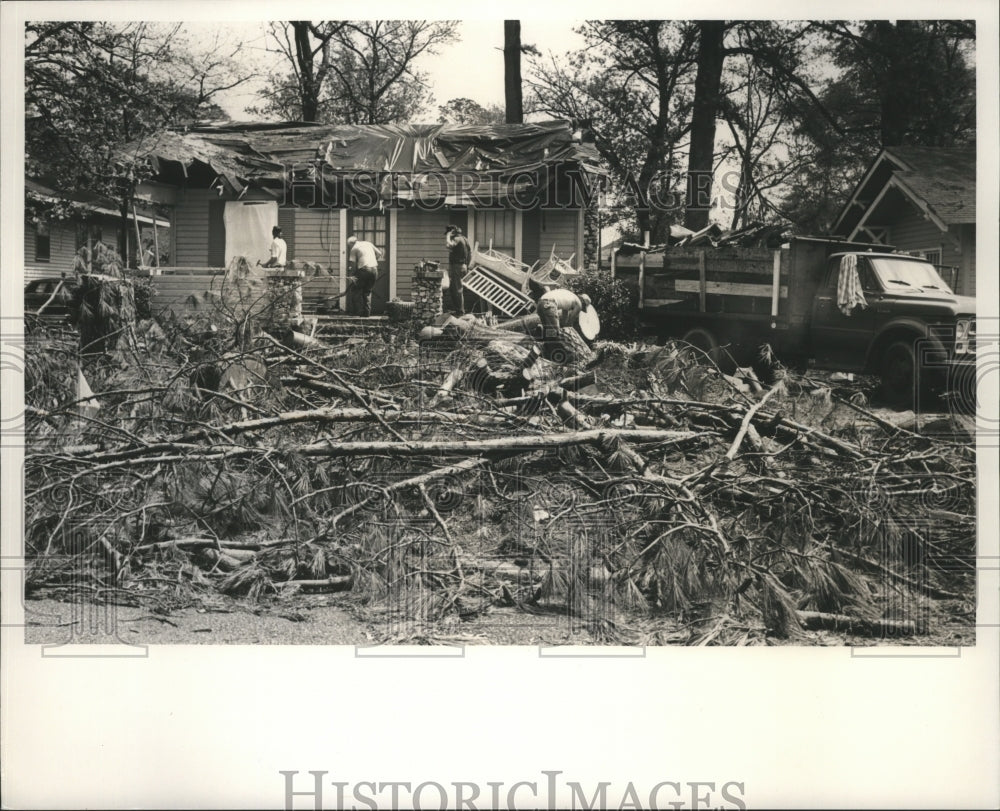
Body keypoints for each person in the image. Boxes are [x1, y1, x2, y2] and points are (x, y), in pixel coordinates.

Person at [347, 234, 384, 317]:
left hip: (364, 270)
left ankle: (356, 313)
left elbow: (352, 265)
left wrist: (351, 276)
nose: (349, 247)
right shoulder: (368, 243)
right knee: (367, 292)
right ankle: (366, 313)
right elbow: (379, 253)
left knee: (355, 290)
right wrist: (373, 260)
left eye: (349, 245)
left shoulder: (354, 249)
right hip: (374, 270)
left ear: (351, 243)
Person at [444, 225, 471, 316]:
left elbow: (448, 245)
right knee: (453, 289)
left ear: (453, 233)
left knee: (457, 289)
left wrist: (448, 236)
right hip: (462, 266)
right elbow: (469, 252)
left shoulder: (457, 239)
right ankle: (458, 310)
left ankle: (460, 312)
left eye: (450, 234)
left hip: (457, 266)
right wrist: (466, 265)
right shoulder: (464, 239)